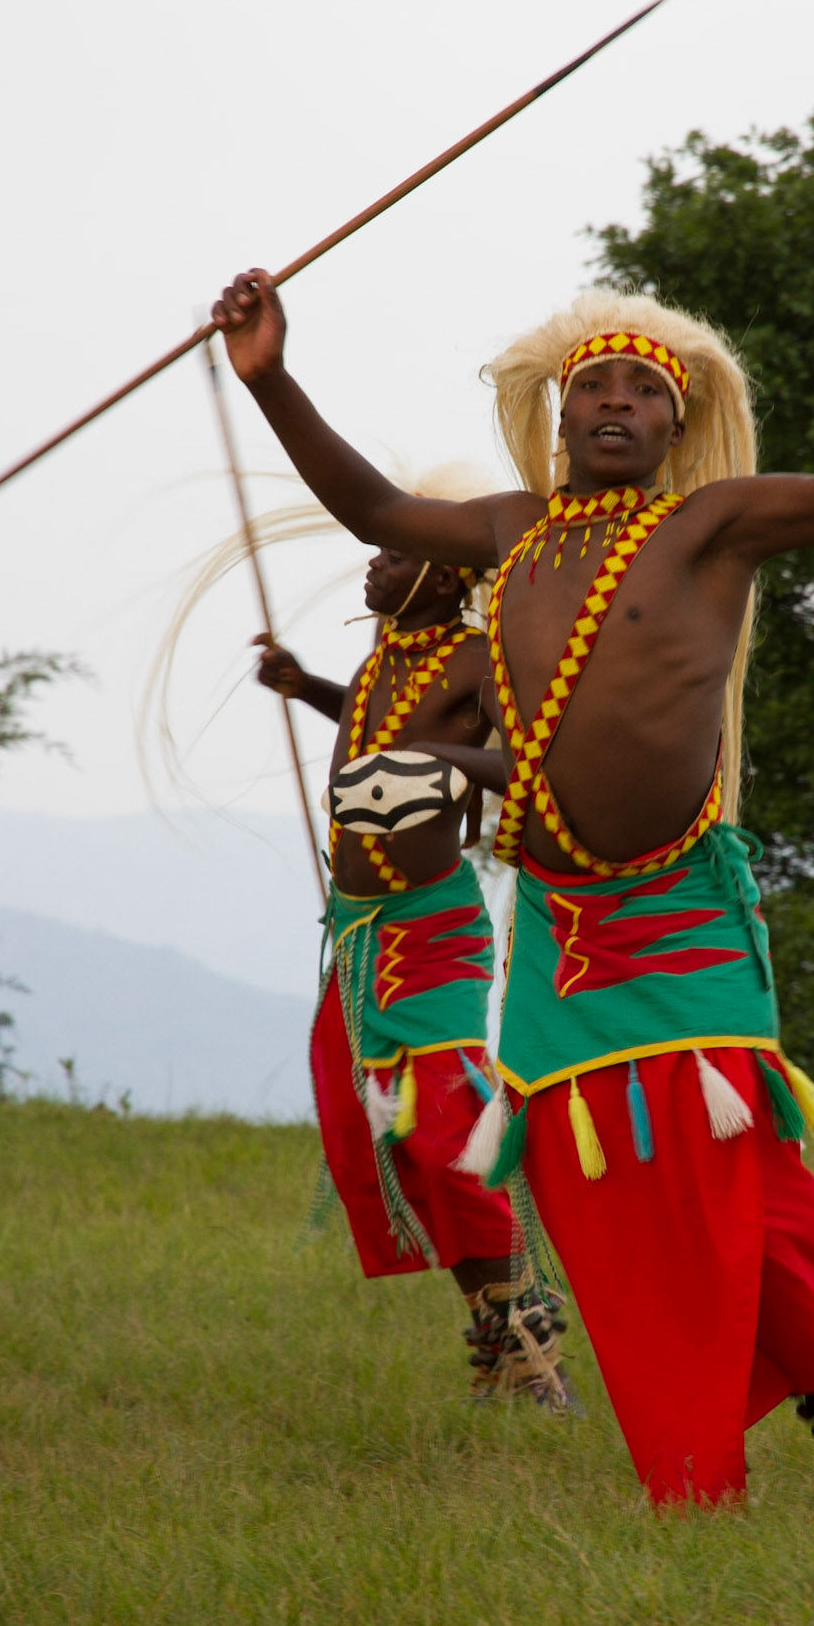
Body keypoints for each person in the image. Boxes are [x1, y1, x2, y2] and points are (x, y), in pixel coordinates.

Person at [211, 268, 814, 1503]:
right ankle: (693, 1476)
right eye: (593, 384)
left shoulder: (714, 524)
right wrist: (271, 376)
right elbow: (373, 506)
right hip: (559, 931)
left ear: (675, 423)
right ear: (558, 413)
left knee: (742, 1182)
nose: (615, 401)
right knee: (603, 1203)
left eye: (642, 390)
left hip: (681, 909)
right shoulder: (511, 531)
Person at [275, 539, 573, 1405]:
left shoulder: (479, 659)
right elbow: (383, 737)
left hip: (429, 930)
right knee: (390, 1144)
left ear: (445, 576)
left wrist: (446, 766)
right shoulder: (381, 658)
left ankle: (534, 1336)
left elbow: (532, 761)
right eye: (375, 554)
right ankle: (501, 1339)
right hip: (357, 934)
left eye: (396, 556)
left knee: (443, 1130)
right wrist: (307, 688)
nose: (373, 567)